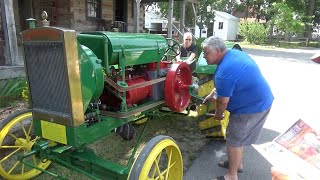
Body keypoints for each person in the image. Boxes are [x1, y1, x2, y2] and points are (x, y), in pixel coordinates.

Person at [202, 36, 274, 180]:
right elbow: (228, 83)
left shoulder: (225, 70)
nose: (204, 56)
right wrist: (212, 93)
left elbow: (222, 102)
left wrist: (218, 115)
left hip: (251, 107)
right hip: (260, 100)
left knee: (234, 138)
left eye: (206, 52)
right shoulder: (232, 54)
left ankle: (232, 175)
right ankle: (237, 164)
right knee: (237, 137)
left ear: (218, 51)